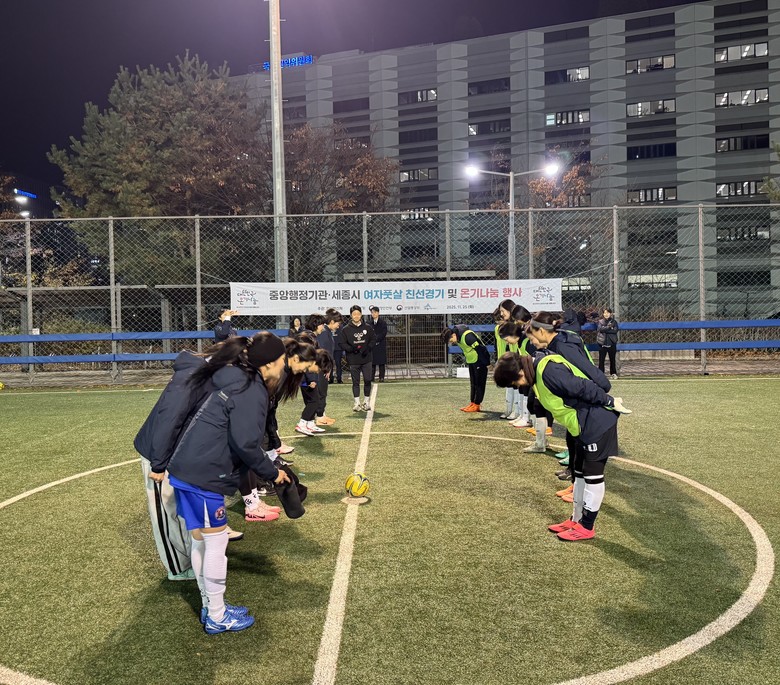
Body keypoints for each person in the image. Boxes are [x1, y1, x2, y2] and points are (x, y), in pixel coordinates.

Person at [165, 332, 291, 633]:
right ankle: (217, 616)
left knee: (201, 540)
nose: (284, 365)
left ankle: (211, 605)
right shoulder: (251, 389)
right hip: (203, 473)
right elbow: (246, 444)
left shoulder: (237, 377)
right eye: (282, 360)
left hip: (188, 467)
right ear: (270, 363)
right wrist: (273, 473)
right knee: (216, 542)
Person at [493, 351, 631, 541]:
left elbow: (583, 387)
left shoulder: (549, 370)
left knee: (593, 475)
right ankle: (576, 520)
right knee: (579, 472)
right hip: (581, 425)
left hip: (596, 422)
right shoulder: (537, 373)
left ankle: (587, 527)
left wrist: (610, 401)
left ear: (520, 372)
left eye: (515, 383)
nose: (518, 386)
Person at [441, 324, 490, 412]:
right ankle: (472, 403)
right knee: (473, 383)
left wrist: (487, 363)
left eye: (450, 340)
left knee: (479, 384)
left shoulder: (468, 336)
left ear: (453, 335)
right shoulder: (458, 338)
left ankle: (477, 404)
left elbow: (481, 349)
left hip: (480, 360)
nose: (451, 342)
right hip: (472, 361)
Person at [339, 305, 375, 411]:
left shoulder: (368, 327)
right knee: (356, 382)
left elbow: (373, 339)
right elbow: (342, 343)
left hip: (366, 359)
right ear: (351, 315)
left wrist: (368, 348)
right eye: (354, 314)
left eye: (358, 314)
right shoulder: (345, 329)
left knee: (368, 380)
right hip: (353, 360)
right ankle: (357, 403)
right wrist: (351, 349)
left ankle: (366, 402)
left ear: (361, 314)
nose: (356, 316)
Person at [316, 312, 341, 425]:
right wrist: (326, 367)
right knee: (321, 392)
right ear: (332, 321)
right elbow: (322, 352)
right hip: (321, 368)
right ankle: (319, 416)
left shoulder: (327, 332)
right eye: (337, 323)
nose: (338, 326)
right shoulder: (324, 333)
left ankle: (322, 414)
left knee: (323, 391)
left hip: (325, 367)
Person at [597, 308, 619, 379]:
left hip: (611, 343)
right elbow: (600, 329)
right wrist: (609, 327)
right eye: (605, 313)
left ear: (611, 313)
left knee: (612, 359)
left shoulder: (614, 322)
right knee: (601, 360)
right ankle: (601, 374)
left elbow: (615, 330)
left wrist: (605, 329)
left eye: (608, 313)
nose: (606, 314)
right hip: (602, 343)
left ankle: (613, 373)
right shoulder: (600, 322)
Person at [368, 306, 388, 382]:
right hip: (372, 345)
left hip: (380, 344)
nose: (373, 314)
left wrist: (376, 338)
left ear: (378, 313)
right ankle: (371, 377)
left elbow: (384, 333)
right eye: (372, 312)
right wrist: (372, 339)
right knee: (372, 362)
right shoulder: (369, 323)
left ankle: (381, 377)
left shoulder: (383, 323)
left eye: (375, 312)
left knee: (381, 362)